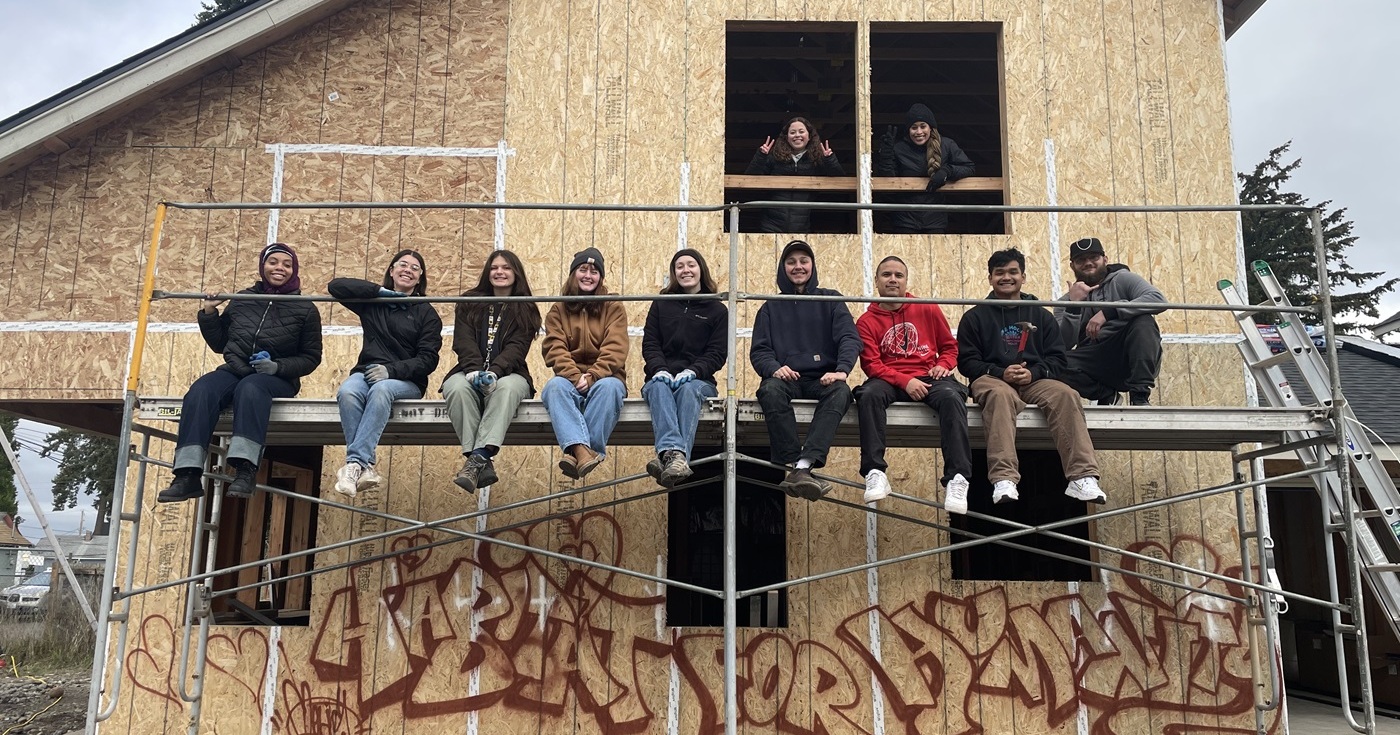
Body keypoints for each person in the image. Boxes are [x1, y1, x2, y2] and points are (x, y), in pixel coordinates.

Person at [157, 243, 323, 502]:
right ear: (262, 266)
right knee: (201, 391)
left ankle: (245, 470)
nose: (280, 267)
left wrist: (277, 367)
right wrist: (210, 311)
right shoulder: (242, 300)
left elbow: (311, 358)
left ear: (294, 270)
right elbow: (221, 344)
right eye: (273, 262)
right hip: (235, 370)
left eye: (286, 264)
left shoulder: (305, 309)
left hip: (275, 379)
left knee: (251, 388)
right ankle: (187, 475)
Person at [957, 248, 1105, 506]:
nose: (1006, 277)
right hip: (991, 379)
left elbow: (1058, 360)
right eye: (999, 273)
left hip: (1035, 381)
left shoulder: (1040, 315)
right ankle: (1004, 479)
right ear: (990, 278)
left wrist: (1033, 373)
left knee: (1066, 394)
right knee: (1000, 395)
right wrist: (1000, 372)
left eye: (1013, 272)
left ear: (1023, 276)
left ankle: (1082, 478)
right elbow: (967, 363)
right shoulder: (974, 317)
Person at [855, 256, 973, 512]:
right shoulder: (866, 321)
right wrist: (906, 381)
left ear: (906, 280)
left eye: (899, 275)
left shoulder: (926, 308)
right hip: (888, 378)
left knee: (953, 398)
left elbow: (949, 347)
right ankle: (875, 471)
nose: (893, 280)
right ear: (876, 281)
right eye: (886, 275)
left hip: (930, 376)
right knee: (868, 395)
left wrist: (944, 364)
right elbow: (871, 365)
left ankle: (957, 478)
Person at [327, 250, 442, 497]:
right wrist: (379, 292)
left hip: (406, 382)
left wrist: (391, 370)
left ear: (420, 278)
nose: (408, 270)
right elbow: (336, 287)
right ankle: (365, 466)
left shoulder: (425, 312)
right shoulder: (374, 304)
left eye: (415, 268)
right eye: (402, 265)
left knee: (381, 390)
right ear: (391, 271)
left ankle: (354, 464)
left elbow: (428, 359)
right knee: (347, 391)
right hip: (366, 372)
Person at [751, 239, 860, 499]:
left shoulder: (831, 300)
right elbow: (759, 351)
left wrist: (842, 370)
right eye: (791, 262)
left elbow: (849, 337)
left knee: (842, 392)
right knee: (769, 389)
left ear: (812, 266)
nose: (798, 267)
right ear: (783, 268)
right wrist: (775, 368)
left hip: (823, 378)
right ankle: (796, 465)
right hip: (787, 378)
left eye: (803, 261)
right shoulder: (770, 307)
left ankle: (804, 465)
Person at [442, 250, 541, 493]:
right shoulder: (469, 301)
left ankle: (477, 458)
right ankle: (481, 462)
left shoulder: (526, 308)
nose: (500, 272)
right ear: (487, 272)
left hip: (511, 373)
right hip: (468, 370)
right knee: (455, 387)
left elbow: (518, 348)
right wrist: (474, 370)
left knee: (505, 389)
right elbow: (462, 340)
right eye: (495, 267)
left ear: (516, 273)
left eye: (506, 268)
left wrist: (495, 372)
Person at [641, 249, 728, 487]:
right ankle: (677, 458)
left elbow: (717, 353)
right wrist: (659, 369)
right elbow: (650, 342)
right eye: (680, 266)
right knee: (657, 387)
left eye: (691, 265)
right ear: (674, 273)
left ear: (701, 269)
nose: (686, 270)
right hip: (661, 376)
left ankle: (667, 456)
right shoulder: (661, 305)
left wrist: (694, 371)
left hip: (700, 381)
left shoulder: (717, 310)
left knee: (689, 390)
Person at [541, 248, 629, 480]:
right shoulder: (558, 310)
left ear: (600, 277)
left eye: (594, 271)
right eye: (582, 270)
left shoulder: (613, 306)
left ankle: (576, 451)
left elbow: (616, 347)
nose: (588, 275)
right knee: (554, 388)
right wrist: (574, 376)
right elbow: (554, 348)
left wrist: (593, 376)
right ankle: (585, 452)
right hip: (570, 379)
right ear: (573, 274)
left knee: (609, 388)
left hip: (605, 377)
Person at [1053, 237, 1166, 406]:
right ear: (1072, 266)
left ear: (1105, 260)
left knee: (1144, 322)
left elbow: (1158, 300)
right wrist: (1074, 306)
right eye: (1081, 260)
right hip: (1094, 361)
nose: (1088, 263)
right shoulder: (1066, 301)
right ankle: (1106, 395)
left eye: (1094, 258)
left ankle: (1140, 397)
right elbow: (1063, 345)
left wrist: (1109, 311)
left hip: (1129, 355)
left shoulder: (1123, 279)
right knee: (1050, 362)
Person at [875, 103, 975, 234]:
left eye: (923, 126)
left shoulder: (946, 145)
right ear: (908, 130)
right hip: (905, 219)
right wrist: (886, 155)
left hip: (935, 218)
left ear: (931, 128)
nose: (919, 132)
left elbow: (969, 167)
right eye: (914, 127)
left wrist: (947, 171)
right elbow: (887, 181)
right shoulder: (899, 148)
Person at [744, 116, 845, 233]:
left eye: (801, 131)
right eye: (792, 132)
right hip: (770, 225)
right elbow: (750, 177)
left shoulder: (817, 158)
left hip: (803, 225)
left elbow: (838, 177)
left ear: (809, 136)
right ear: (787, 137)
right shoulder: (774, 157)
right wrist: (761, 156)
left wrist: (829, 159)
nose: (797, 135)